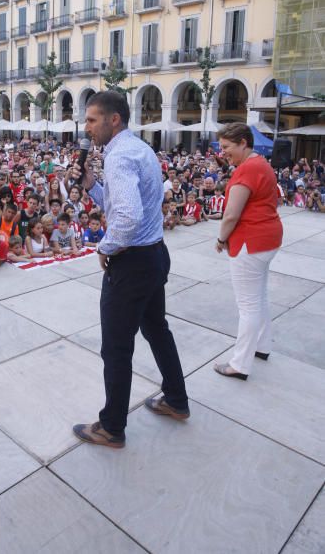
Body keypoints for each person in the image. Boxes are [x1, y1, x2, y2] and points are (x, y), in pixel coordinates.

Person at [70, 91, 189, 449]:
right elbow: (124, 201)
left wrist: (105, 247)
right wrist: (90, 184)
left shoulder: (119, 155)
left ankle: (112, 427)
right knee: (157, 330)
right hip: (154, 256)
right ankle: (177, 400)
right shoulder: (140, 149)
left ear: (113, 120)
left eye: (92, 120)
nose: (86, 127)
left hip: (133, 262)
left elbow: (127, 216)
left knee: (117, 348)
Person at [214, 122, 283, 380]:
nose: (223, 152)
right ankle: (262, 346)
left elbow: (231, 214)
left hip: (250, 241)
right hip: (268, 238)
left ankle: (240, 364)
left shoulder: (247, 170)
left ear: (243, 142)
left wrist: (221, 239)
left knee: (248, 305)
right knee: (259, 297)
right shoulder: (261, 164)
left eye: (226, 147)